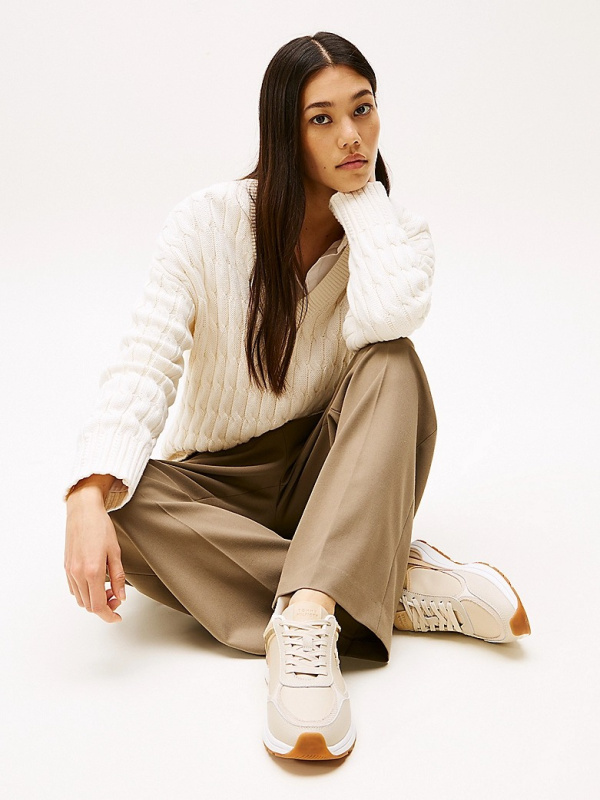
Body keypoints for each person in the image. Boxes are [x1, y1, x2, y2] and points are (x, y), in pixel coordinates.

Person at [63, 32, 531, 762]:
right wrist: (86, 496)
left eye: (363, 109)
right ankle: (378, 583)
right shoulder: (207, 222)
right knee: (119, 508)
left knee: (392, 361)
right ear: (284, 132)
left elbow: (387, 318)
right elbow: (145, 360)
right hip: (220, 484)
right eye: (322, 118)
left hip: (330, 469)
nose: (351, 135)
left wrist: (362, 204)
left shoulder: (394, 237)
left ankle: (308, 619)